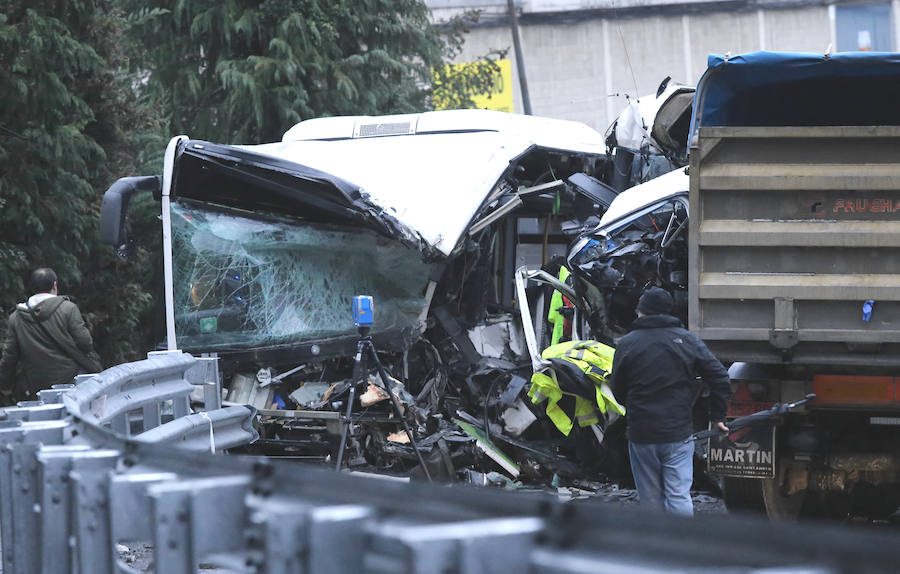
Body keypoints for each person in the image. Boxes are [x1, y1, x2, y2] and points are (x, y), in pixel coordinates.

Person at [611, 287, 731, 516]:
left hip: (641, 433)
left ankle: (657, 546)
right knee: (678, 495)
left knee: (650, 498)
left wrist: (633, 407)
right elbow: (720, 377)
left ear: (642, 312)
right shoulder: (687, 340)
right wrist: (718, 417)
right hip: (678, 433)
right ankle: (681, 544)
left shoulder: (627, 343)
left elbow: (617, 389)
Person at [0, 268, 101, 399]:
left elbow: (10, 356)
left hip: (36, 385)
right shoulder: (68, 308)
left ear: (32, 287)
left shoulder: (16, 317)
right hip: (72, 381)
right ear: (54, 285)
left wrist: (5, 385)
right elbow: (85, 344)